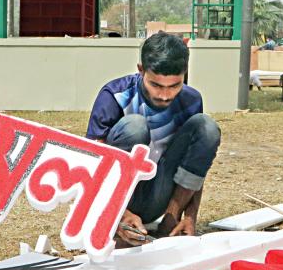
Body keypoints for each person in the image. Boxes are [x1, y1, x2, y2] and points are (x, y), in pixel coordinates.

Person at [87, 32, 221, 246]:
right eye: (156, 85)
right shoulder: (114, 96)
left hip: (157, 196)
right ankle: (118, 217)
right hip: (115, 198)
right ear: (141, 70)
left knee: (207, 127)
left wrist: (189, 216)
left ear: (184, 74)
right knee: (135, 126)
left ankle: (170, 220)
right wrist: (120, 213)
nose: (165, 95)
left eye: (174, 86)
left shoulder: (191, 100)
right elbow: (92, 167)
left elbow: (196, 164)